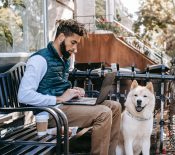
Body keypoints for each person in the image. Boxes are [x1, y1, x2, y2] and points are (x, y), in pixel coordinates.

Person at [18, 19, 121, 155]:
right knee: (103, 113)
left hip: (64, 105)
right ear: (61, 37)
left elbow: (57, 84)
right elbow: (24, 95)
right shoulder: (39, 60)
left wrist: (73, 91)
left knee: (115, 107)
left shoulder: (64, 58)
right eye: (73, 43)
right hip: (50, 113)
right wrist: (59, 98)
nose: (75, 49)